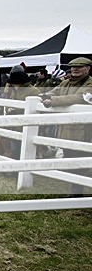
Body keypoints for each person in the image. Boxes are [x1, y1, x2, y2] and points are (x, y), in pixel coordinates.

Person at [41, 56, 92, 194]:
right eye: (73, 67)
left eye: (79, 67)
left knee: (79, 159)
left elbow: (78, 98)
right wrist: (42, 96)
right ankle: (73, 188)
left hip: (81, 130)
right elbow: (53, 92)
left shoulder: (89, 84)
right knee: (69, 157)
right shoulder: (66, 83)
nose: (74, 69)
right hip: (65, 128)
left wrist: (52, 100)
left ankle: (76, 190)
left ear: (87, 69)